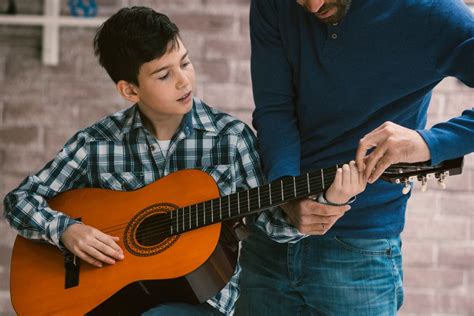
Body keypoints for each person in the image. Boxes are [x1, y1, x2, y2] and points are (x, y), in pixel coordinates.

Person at [235, 0, 474, 315]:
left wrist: (428, 143)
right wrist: (286, 192)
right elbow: (274, 108)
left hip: (361, 254)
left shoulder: (431, 11)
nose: (312, 5)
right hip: (270, 237)